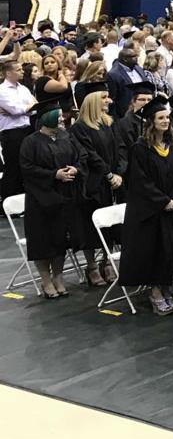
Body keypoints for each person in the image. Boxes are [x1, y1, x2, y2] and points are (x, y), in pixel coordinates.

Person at [117, 96, 173, 316]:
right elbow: (140, 182)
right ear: (150, 121)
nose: (166, 121)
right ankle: (155, 293)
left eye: (167, 117)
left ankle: (166, 289)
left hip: (171, 208)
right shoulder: (141, 148)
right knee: (155, 253)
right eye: (161, 118)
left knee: (169, 252)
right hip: (149, 212)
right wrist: (162, 201)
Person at [20, 96, 89, 299]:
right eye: (58, 116)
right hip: (41, 199)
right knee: (43, 241)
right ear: (46, 118)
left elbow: (81, 156)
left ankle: (58, 277)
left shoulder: (66, 136)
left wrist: (74, 169)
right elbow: (27, 169)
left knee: (60, 239)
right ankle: (45, 280)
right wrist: (54, 175)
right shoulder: (30, 142)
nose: (62, 119)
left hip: (65, 197)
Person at [68, 81, 122, 286]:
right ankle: (91, 265)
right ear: (92, 101)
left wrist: (118, 173)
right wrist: (108, 174)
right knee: (89, 227)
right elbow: (89, 155)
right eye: (104, 97)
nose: (109, 100)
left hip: (111, 183)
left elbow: (118, 151)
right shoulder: (79, 128)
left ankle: (106, 261)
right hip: (91, 185)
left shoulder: (108, 123)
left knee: (110, 227)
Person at [0, 59, 35, 199]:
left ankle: (22, 198)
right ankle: (7, 200)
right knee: (13, 166)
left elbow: (35, 105)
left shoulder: (23, 88)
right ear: (8, 73)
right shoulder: (2, 90)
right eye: (18, 69)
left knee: (26, 165)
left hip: (27, 129)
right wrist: (24, 109)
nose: (22, 72)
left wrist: (23, 110)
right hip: (11, 132)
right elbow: (14, 109)